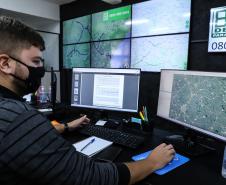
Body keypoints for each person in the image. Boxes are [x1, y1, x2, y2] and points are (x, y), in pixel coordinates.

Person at [0, 15, 175, 185]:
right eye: (36, 62)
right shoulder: (19, 118)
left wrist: (66, 126)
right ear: (5, 64)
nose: (40, 69)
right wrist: (151, 162)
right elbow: (90, 177)